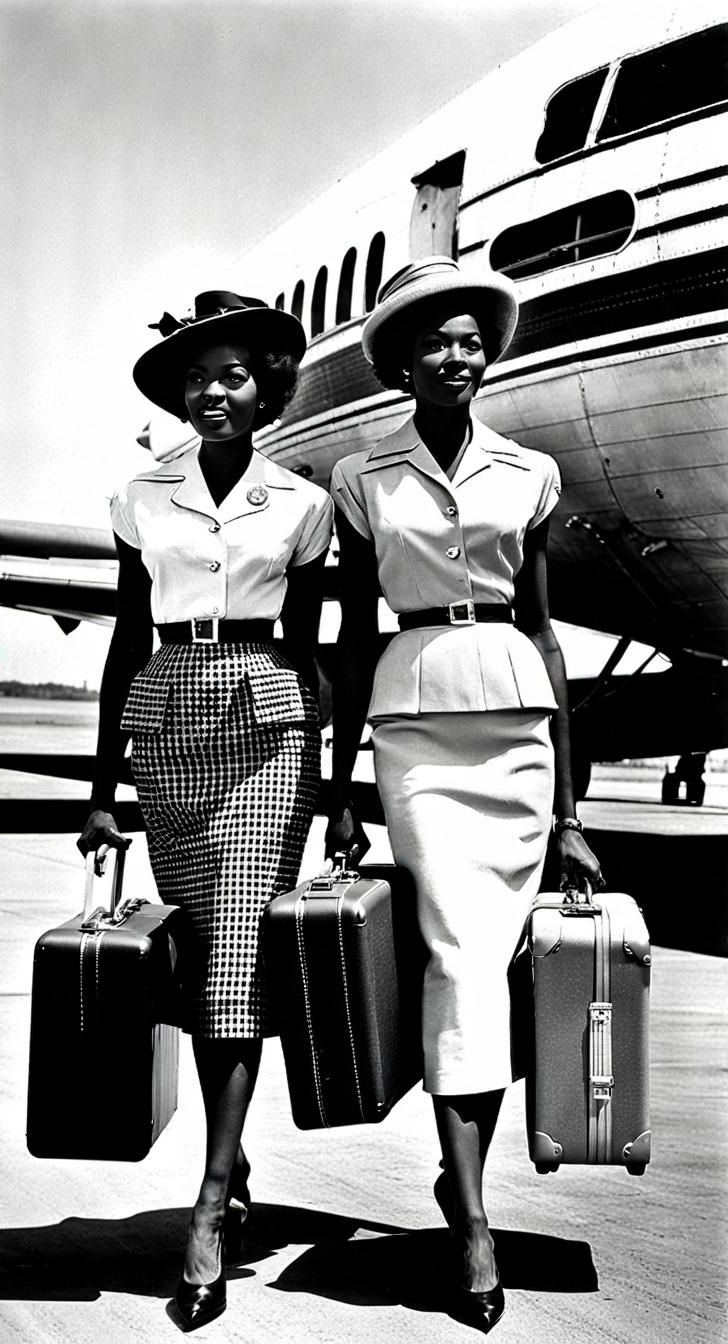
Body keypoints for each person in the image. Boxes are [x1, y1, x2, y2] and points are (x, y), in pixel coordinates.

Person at [325, 257, 602, 1333]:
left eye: (472, 339)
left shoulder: (528, 475)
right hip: (415, 726)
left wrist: (572, 811)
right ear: (400, 361)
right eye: (435, 341)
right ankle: (476, 1221)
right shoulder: (363, 479)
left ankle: (466, 1184)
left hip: (516, 728)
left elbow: (543, 634)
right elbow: (352, 638)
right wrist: (339, 783)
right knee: (452, 950)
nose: (458, 355)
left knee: (488, 958)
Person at [78, 290, 333, 1332]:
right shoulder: (140, 497)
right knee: (199, 965)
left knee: (235, 955)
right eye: (198, 377)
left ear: (266, 388)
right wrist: (101, 791)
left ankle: (210, 1204)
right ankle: (231, 1156)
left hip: (270, 726)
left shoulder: (304, 506)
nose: (214, 392)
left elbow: (318, 650)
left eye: (233, 375)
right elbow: (122, 640)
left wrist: (343, 783)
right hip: (169, 721)